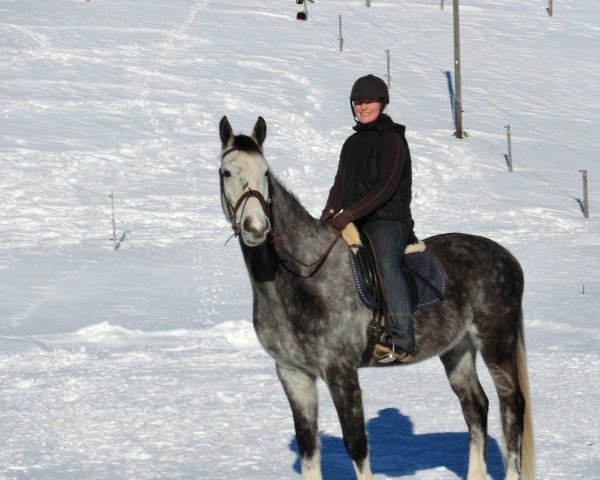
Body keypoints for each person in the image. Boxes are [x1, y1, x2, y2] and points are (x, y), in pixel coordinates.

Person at [321, 74, 417, 363]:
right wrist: (327, 213)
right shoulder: (350, 143)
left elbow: (386, 187)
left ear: (382, 103)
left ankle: (403, 341)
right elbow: (339, 184)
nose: (362, 107)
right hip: (356, 220)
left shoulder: (392, 140)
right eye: (358, 102)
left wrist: (350, 213)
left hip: (389, 219)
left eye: (369, 102)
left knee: (386, 264)